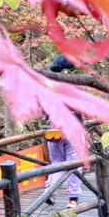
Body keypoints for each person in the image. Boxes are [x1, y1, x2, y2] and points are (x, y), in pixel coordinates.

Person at [44, 55, 80, 208]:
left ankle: (49, 190)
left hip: (54, 131)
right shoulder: (71, 88)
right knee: (75, 164)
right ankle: (73, 199)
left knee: (57, 162)